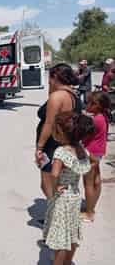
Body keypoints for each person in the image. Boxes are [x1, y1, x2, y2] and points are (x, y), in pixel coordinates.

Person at [43, 111, 94, 265]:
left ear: (62, 133)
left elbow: (54, 174)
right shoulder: (81, 150)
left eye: (55, 129)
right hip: (75, 196)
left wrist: (55, 187)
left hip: (63, 198)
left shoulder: (61, 152)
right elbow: (88, 166)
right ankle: (68, 262)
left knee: (61, 240)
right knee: (72, 233)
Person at [36, 63, 82, 200]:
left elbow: (49, 124)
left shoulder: (57, 97)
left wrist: (39, 147)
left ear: (55, 77)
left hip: (52, 145)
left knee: (47, 184)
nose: (48, 81)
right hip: (66, 143)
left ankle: (55, 214)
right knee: (60, 183)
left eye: (49, 78)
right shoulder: (73, 95)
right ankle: (59, 213)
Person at [82, 91, 111, 222]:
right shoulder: (102, 116)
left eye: (89, 103)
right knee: (96, 179)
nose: (87, 105)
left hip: (91, 151)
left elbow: (85, 134)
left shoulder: (95, 120)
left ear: (97, 105)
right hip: (99, 151)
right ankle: (92, 207)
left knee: (88, 183)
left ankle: (89, 213)